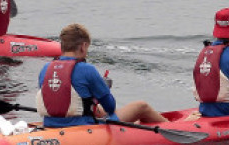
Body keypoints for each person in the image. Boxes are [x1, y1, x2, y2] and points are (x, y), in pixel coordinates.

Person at [35, 23, 167, 128]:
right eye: (87, 49)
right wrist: (102, 89)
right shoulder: (87, 69)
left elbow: (58, 99)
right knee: (141, 106)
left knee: (123, 117)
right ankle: (173, 127)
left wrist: (94, 104)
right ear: (83, 46)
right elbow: (110, 107)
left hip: (50, 124)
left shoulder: (45, 69)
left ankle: (140, 125)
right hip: (82, 128)